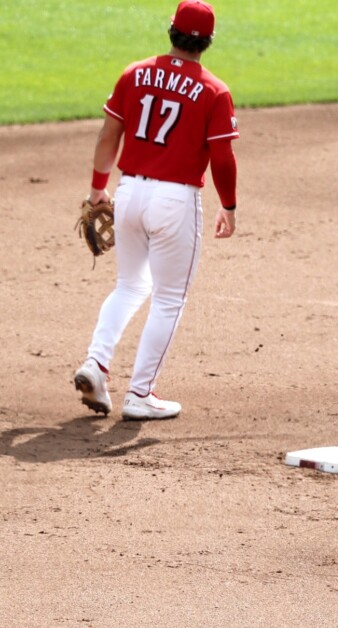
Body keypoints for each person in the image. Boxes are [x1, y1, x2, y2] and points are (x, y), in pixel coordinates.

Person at [73, 0, 239, 420]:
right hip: (175, 201)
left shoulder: (135, 73)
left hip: (128, 191)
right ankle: (140, 394)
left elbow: (109, 134)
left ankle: (96, 363)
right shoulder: (214, 90)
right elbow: (222, 158)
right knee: (169, 298)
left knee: (130, 285)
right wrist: (230, 205)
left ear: (172, 31)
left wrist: (98, 189)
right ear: (209, 42)